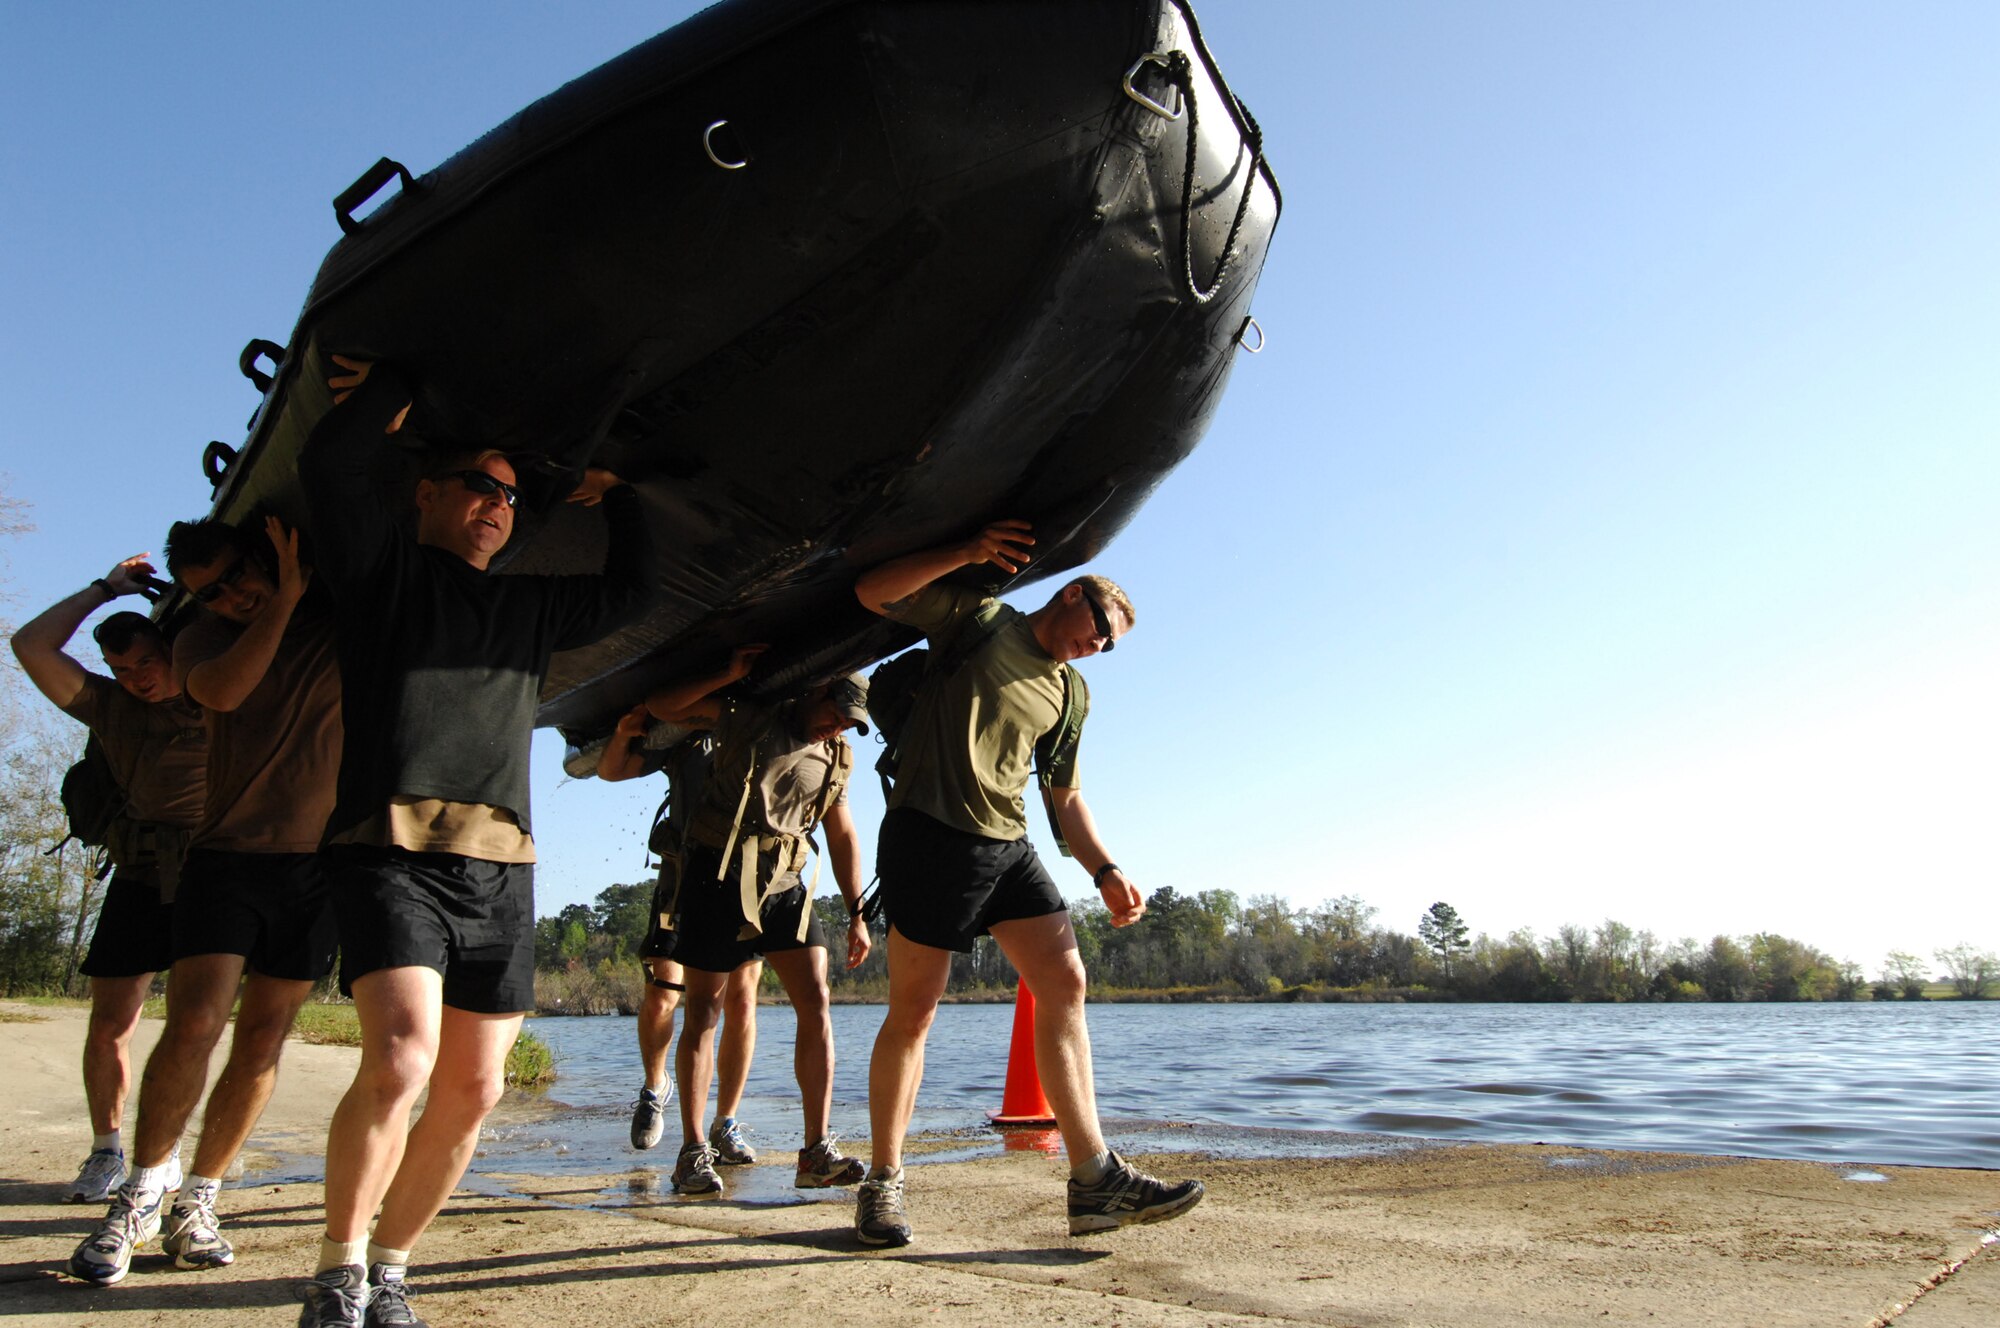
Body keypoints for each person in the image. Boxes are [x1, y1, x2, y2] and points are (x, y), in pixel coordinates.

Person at [297, 355, 655, 1328]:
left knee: (477, 1085)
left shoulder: (529, 605)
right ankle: (337, 1271)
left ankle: (390, 1269)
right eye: (479, 486)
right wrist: (391, 391)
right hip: (390, 849)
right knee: (401, 1059)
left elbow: (632, 591)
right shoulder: (380, 573)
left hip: (503, 869)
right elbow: (329, 467)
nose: (499, 504)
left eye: (510, 496)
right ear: (426, 494)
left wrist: (618, 496)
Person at [851, 519, 1202, 1245]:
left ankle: (1095, 1179)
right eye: (1099, 629)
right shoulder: (978, 619)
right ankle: (882, 1183)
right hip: (930, 833)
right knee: (914, 1013)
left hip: (1008, 845)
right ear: (1072, 594)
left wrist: (1105, 869)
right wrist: (965, 551)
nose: (1097, 647)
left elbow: (1065, 796)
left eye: (1109, 646)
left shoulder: (1071, 693)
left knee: (1066, 982)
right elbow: (873, 591)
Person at [66, 514, 343, 1285]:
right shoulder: (200, 641)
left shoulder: (334, 620)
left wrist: (298, 590)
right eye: (210, 591)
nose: (229, 596)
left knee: (263, 1039)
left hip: (316, 867)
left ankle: (199, 1199)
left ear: (264, 556)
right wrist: (280, 600)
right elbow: (222, 692)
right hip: (225, 859)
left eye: (235, 577)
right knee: (192, 1023)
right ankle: (139, 1195)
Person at [637, 649, 873, 1196]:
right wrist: (725, 671)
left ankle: (815, 1151)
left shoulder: (837, 756)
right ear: (816, 691)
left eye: (848, 724)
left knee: (816, 1000)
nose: (837, 727)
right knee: (704, 1010)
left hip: (785, 884)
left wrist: (857, 911)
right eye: (835, 714)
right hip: (718, 875)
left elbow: (841, 833)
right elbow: (663, 705)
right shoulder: (751, 715)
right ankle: (693, 1151)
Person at [10, 558, 206, 1205]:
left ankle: (166, 1155)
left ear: (171, 650)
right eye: (122, 670)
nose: (137, 678)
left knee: (192, 1026)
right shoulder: (109, 707)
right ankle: (106, 1151)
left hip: (213, 875)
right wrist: (106, 589)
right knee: (110, 1024)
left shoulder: (222, 694)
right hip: (140, 874)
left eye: (146, 662)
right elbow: (29, 645)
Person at [595, 706, 762, 1156]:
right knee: (661, 994)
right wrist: (623, 732)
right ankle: (655, 1087)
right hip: (683, 878)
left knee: (742, 1000)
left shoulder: (763, 727)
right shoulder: (687, 730)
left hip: (748, 882)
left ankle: (725, 1122)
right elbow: (612, 770)